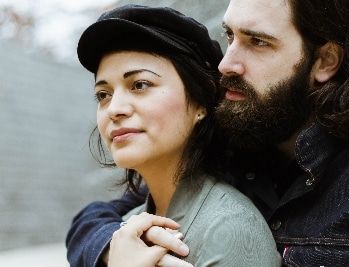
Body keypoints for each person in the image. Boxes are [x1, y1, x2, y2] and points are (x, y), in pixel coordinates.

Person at [67, 0, 349, 266]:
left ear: (325, 61)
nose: (227, 64)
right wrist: (113, 248)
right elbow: (99, 216)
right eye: (230, 37)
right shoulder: (234, 141)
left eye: (257, 42)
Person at [67, 4, 281, 267]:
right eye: (103, 95)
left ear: (200, 104)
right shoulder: (128, 229)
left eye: (140, 85)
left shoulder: (230, 229)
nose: (115, 109)